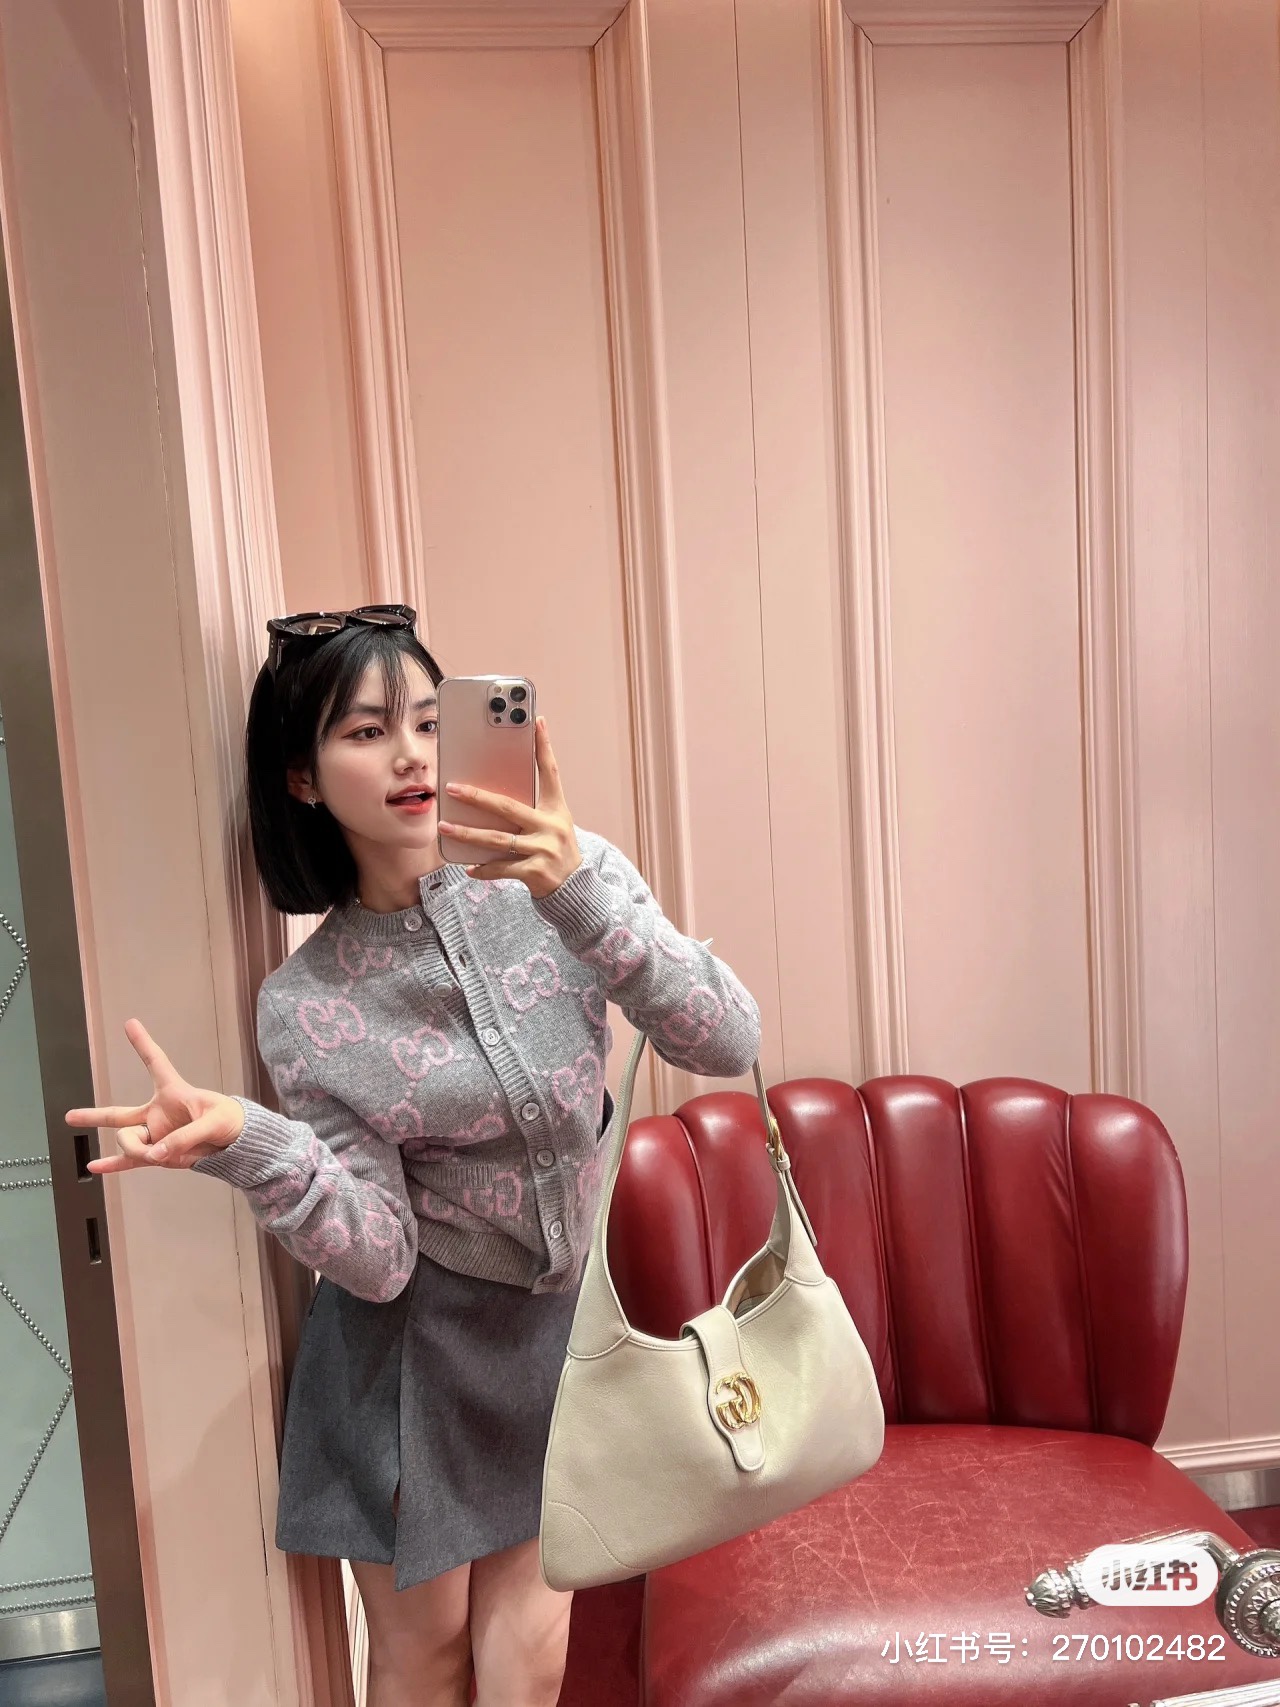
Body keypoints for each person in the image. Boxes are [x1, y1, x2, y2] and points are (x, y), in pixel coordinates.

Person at [66, 605, 762, 1707]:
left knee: (531, 1659)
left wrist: (576, 894)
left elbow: (727, 1041)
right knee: (424, 1664)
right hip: (409, 1357)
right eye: (366, 730)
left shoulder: (568, 881)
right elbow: (379, 1256)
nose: (411, 756)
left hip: (551, 1329)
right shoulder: (307, 1002)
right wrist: (250, 1141)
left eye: (433, 723)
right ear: (302, 777)